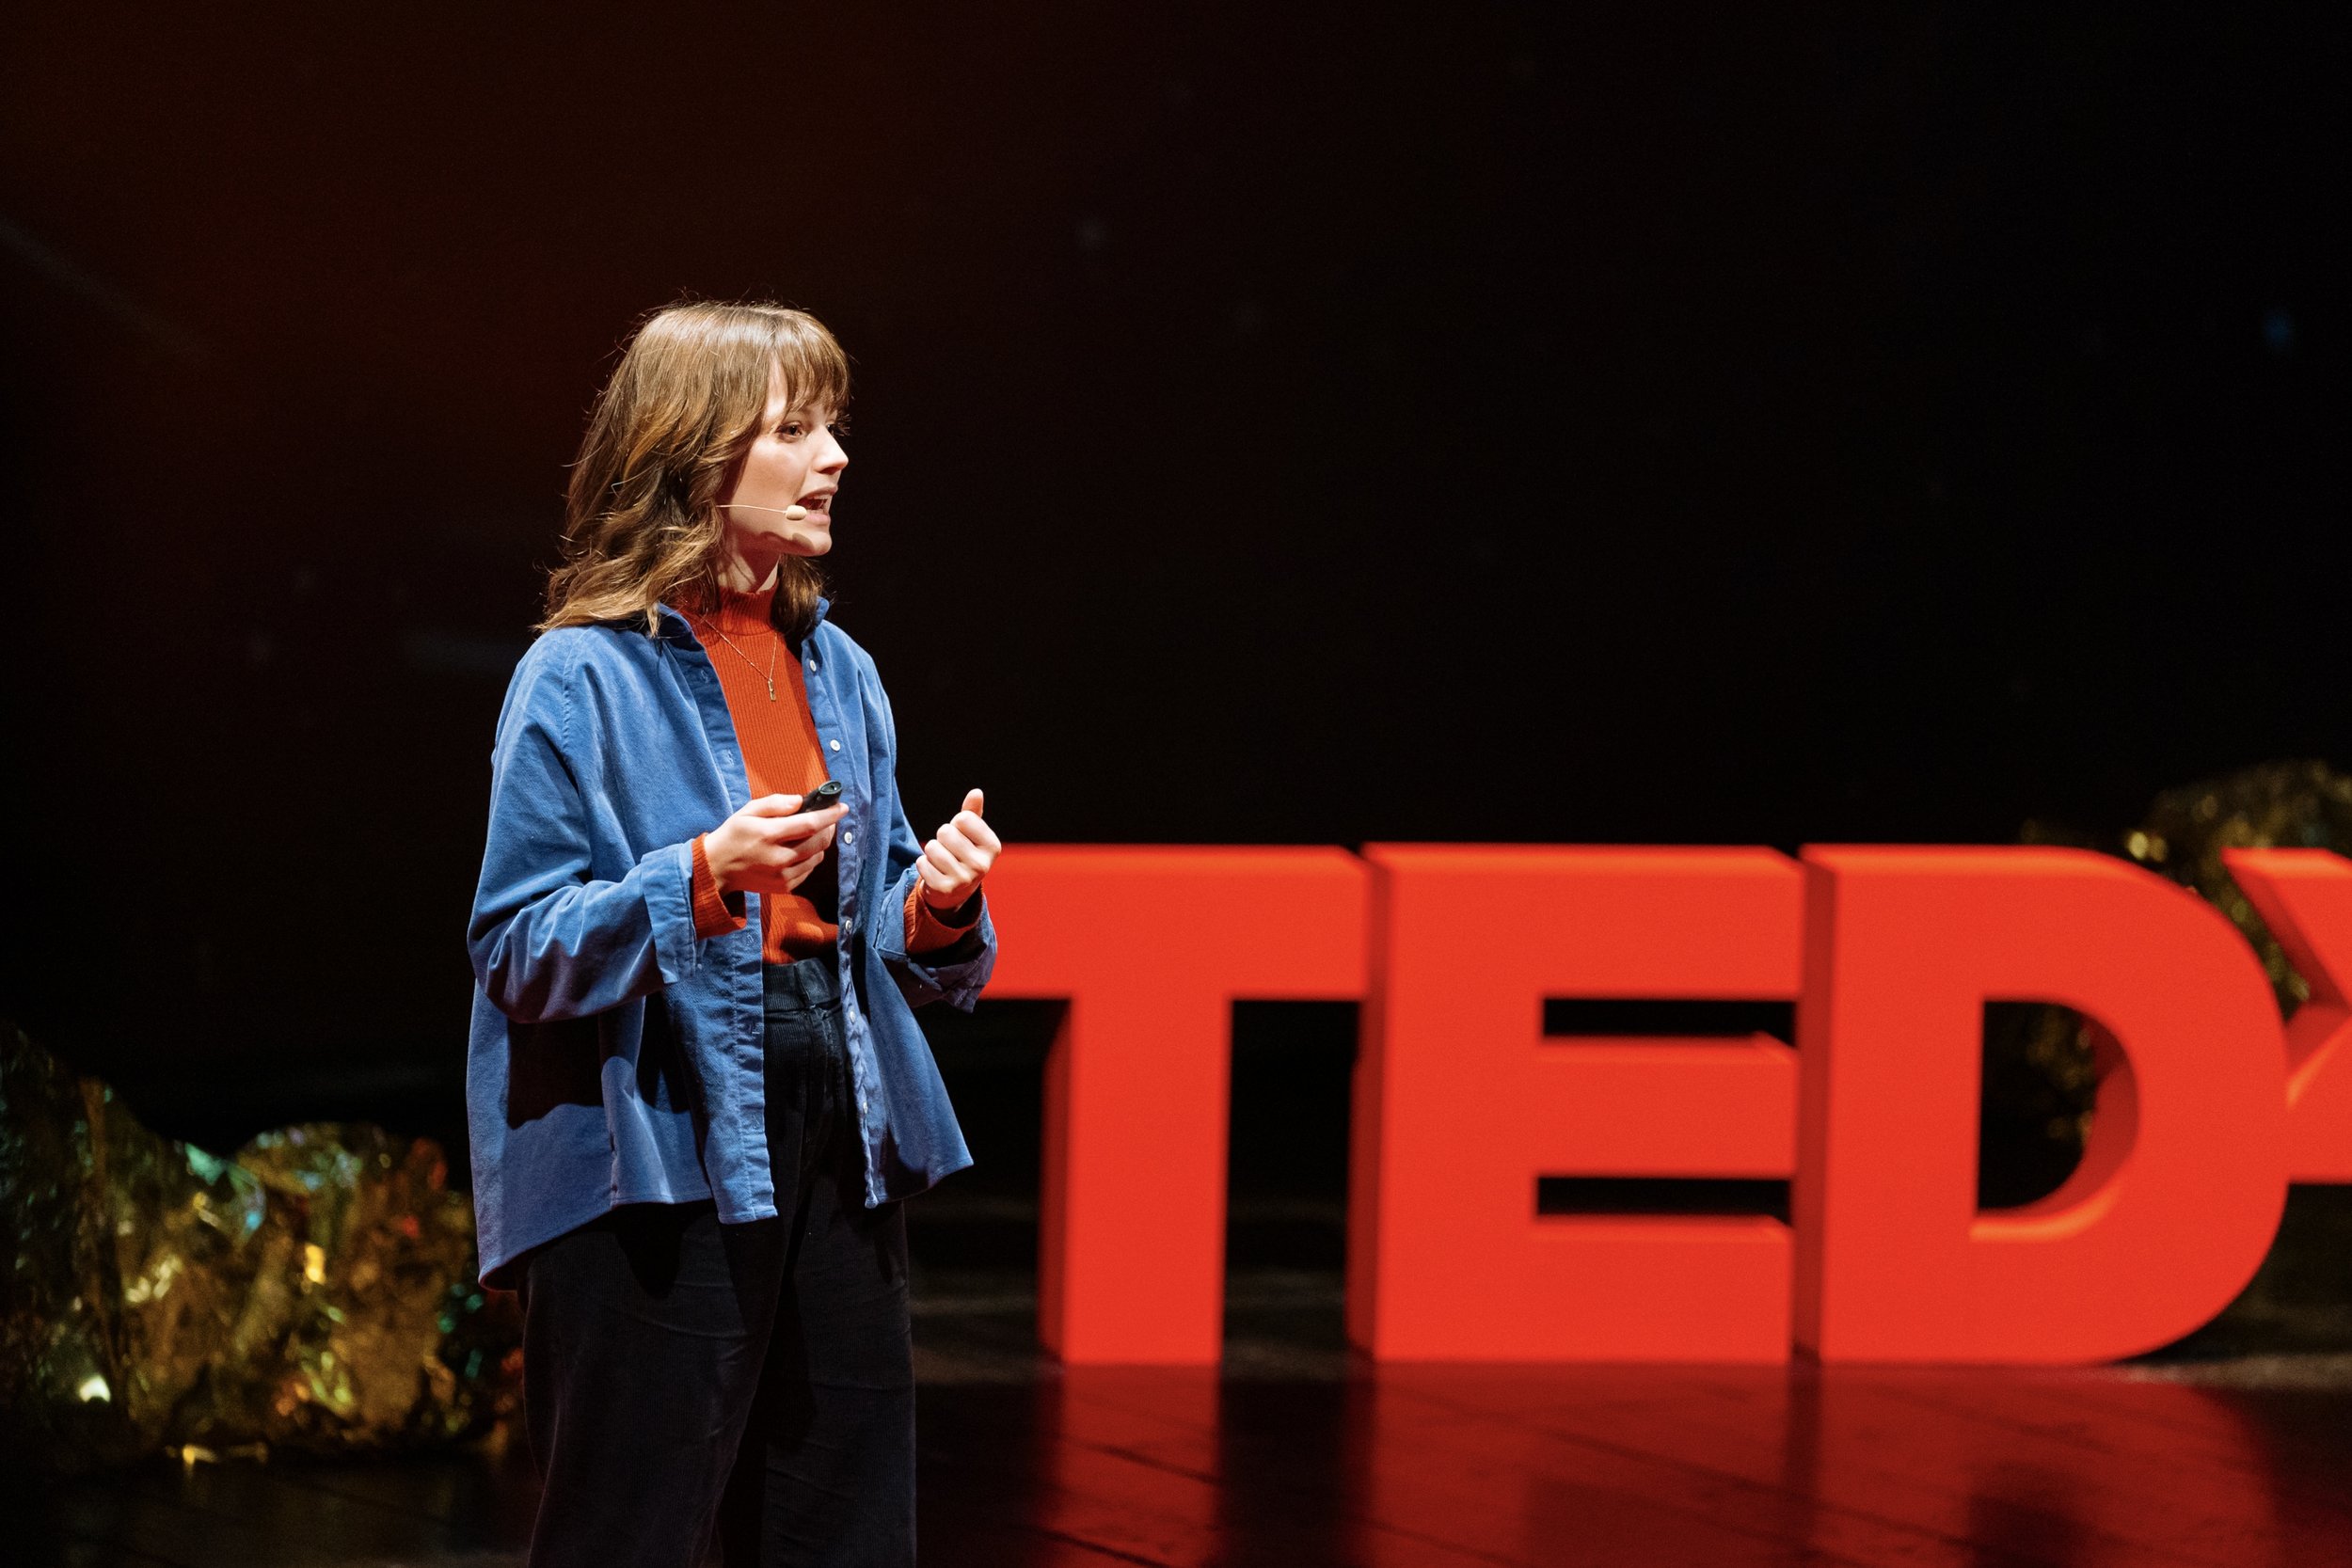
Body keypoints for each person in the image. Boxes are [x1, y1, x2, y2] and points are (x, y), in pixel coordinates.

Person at [464, 300, 1001, 1566]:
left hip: (835, 1132)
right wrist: (697, 878)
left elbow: (876, 916)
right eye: (796, 429)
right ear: (698, 454)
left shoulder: (838, 668)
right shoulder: (580, 675)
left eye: (835, 428)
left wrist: (936, 904)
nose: (835, 458)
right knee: (631, 1525)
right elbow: (516, 949)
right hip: (656, 1143)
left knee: (845, 1523)